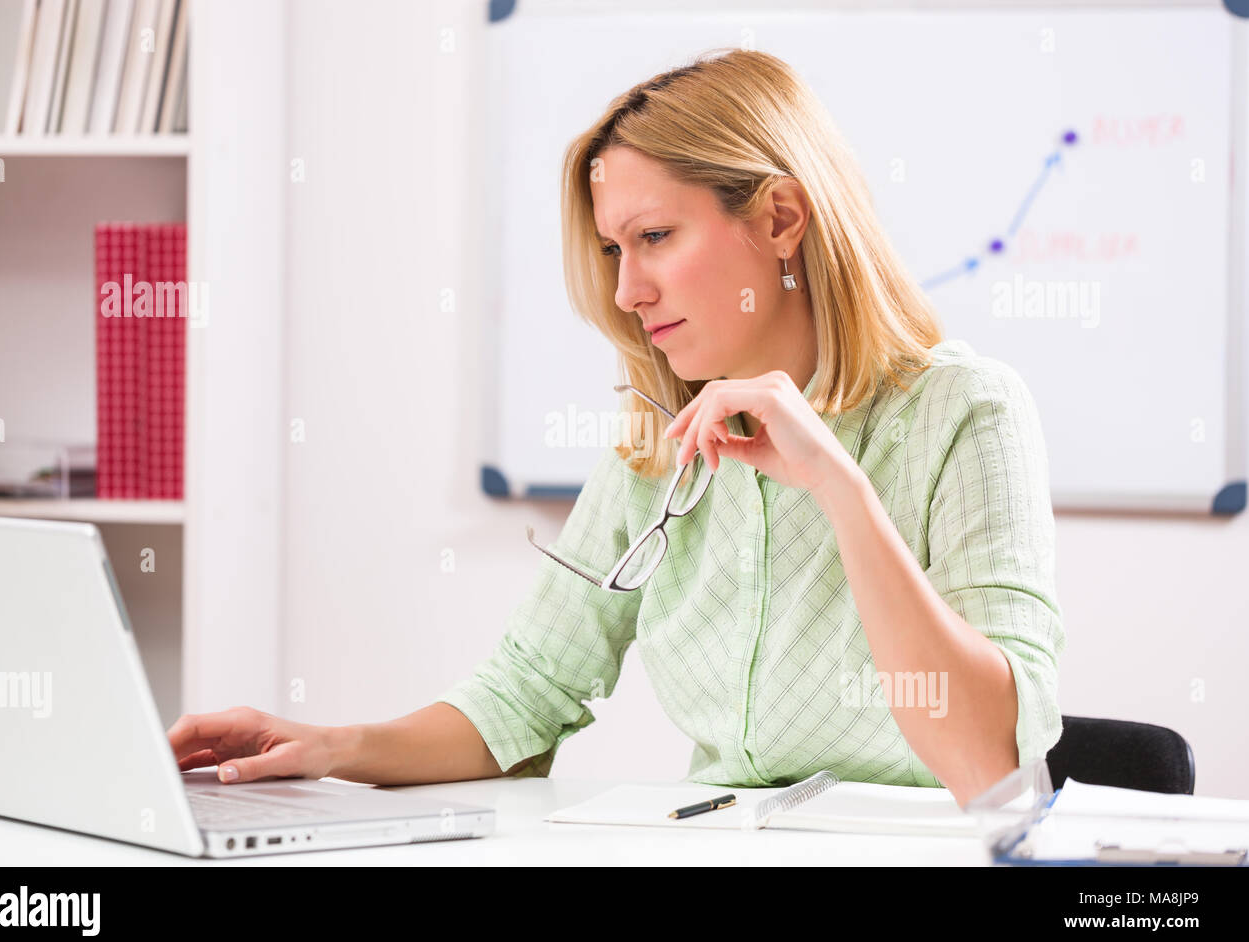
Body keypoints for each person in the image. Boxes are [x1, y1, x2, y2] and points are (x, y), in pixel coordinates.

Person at [169, 49, 1065, 808]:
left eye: (657, 236)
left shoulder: (965, 414)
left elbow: (987, 760)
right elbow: (528, 692)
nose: (629, 291)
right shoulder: (660, 438)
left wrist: (839, 486)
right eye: (612, 250)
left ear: (782, 220)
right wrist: (329, 747)